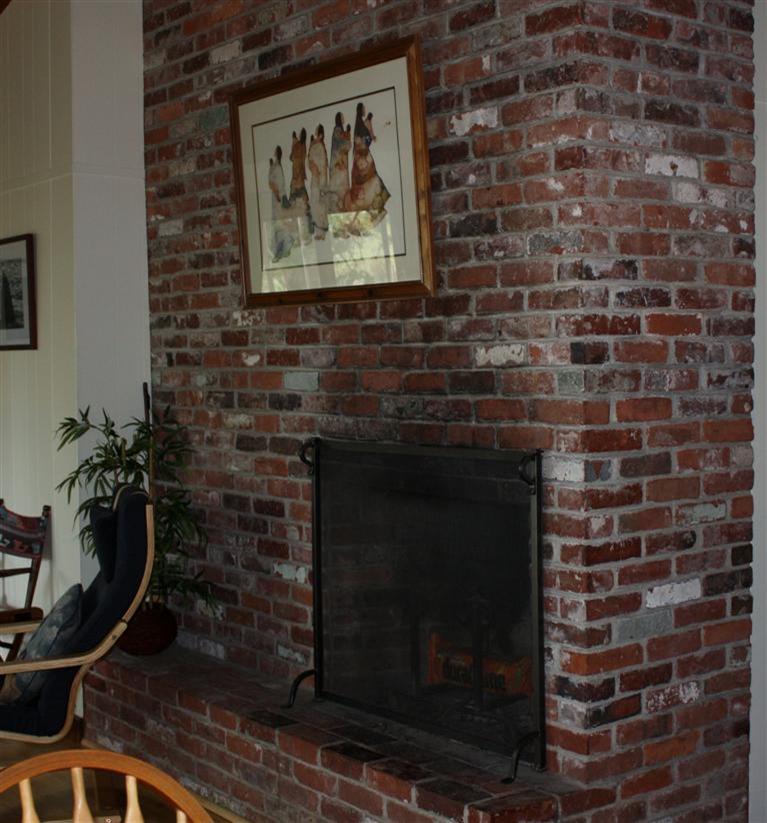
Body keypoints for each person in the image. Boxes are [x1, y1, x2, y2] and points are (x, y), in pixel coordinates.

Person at [343, 101, 390, 226]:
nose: (364, 111)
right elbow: (361, 142)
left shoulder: (363, 123)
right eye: (363, 109)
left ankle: (376, 211)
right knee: (372, 182)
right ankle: (370, 214)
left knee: (375, 181)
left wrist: (372, 136)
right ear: (361, 111)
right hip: (362, 157)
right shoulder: (361, 125)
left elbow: (370, 135)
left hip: (364, 156)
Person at [307, 124, 329, 240]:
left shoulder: (319, 146)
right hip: (315, 179)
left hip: (319, 180)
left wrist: (322, 182)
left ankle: (322, 232)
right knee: (314, 205)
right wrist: (312, 166)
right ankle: (318, 232)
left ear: (320, 134)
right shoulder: (315, 145)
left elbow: (323, 165)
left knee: (319, 205)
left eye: (317, 132)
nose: (315, 133)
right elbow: (309, 161)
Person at [327, 111, 351, 216]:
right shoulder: (338, 131)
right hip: (339, 168)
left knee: (341, 194)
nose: (343, 119)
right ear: (339, 119)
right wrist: (348, 137)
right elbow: (345, 146)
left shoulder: (339, 132)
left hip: (339, 166)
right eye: (342, 117)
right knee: (341, 193)